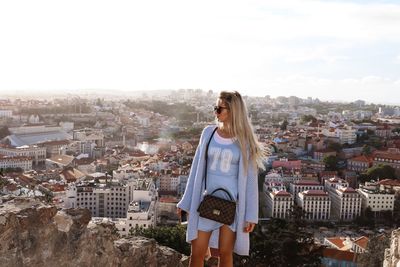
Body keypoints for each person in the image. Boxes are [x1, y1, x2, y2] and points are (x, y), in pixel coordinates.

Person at [177, 91, 265, 267]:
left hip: (231, 206)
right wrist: (185, 203)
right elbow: (196, 169)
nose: (215, 112)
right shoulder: (208, 133)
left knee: (225, 255)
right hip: (206, 202)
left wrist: (251, 216)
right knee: (197, 255)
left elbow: (250, 181)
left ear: (233, 111)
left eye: (219, 109)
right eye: (215, 108)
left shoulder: (245, 141)